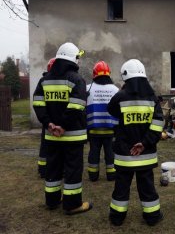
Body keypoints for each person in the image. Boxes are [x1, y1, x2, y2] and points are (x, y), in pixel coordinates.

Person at [33, 42, 93, 215]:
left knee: (53, 168)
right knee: (72, 170)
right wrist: (63, 125)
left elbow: (38, 104)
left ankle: (52, 201)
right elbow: (77, 105)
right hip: (72, 136)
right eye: (78, 58)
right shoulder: (76, 79)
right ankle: (73, 204)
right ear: (73, 59)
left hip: (52, 135)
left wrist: (49, 124)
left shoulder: (44, 80)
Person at [107, 59, 164, 226]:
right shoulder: (152, 98)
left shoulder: (120, 97)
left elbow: (111, 110)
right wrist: (144, 143)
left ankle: (117, 218)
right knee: (147, 187)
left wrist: (122, 91)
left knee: (121, 187)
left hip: (124, 154)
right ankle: (152, 217)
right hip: (145, 154)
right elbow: (158, 124)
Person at [86, 60, 119, 182]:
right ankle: (111, 175)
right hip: (111, 130)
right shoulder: (115, 90)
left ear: (94, 74)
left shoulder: (88, 88)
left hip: (94, 129)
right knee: (110, 153)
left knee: (94, 152)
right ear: (108, 74)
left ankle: (93, 176)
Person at [37, 57, 56, 179]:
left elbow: (38, 102)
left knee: (45, 146)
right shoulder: (64, 80)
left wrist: (45, 120)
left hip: (47, 121)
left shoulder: (43, 81)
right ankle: (60, 169)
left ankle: (43, 170)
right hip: (59, 122)